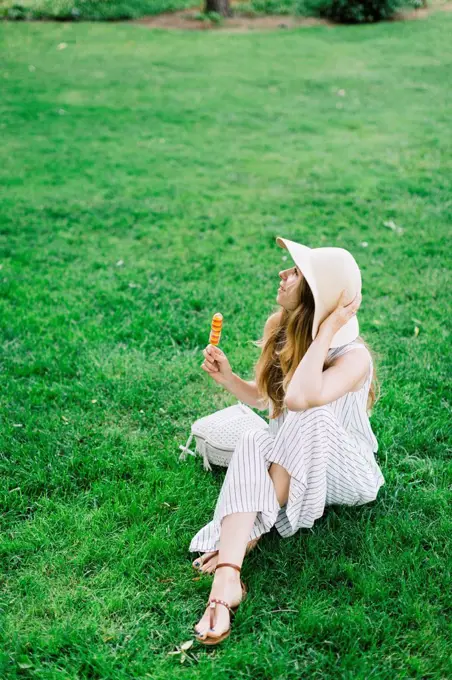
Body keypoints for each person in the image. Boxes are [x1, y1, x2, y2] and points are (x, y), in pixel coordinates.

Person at [190, 236, 385, 645]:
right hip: (292, 454)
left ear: (317, 296)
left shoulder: (354, 357)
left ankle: (244, 533)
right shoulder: (278, 326)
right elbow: (272, 402)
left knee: (306, 412)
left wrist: (329, 326)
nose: (283, 273)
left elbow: (299, 398)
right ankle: (228, 578)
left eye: (296, 272)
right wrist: (228, 379)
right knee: (253, 440)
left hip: (345, 472)